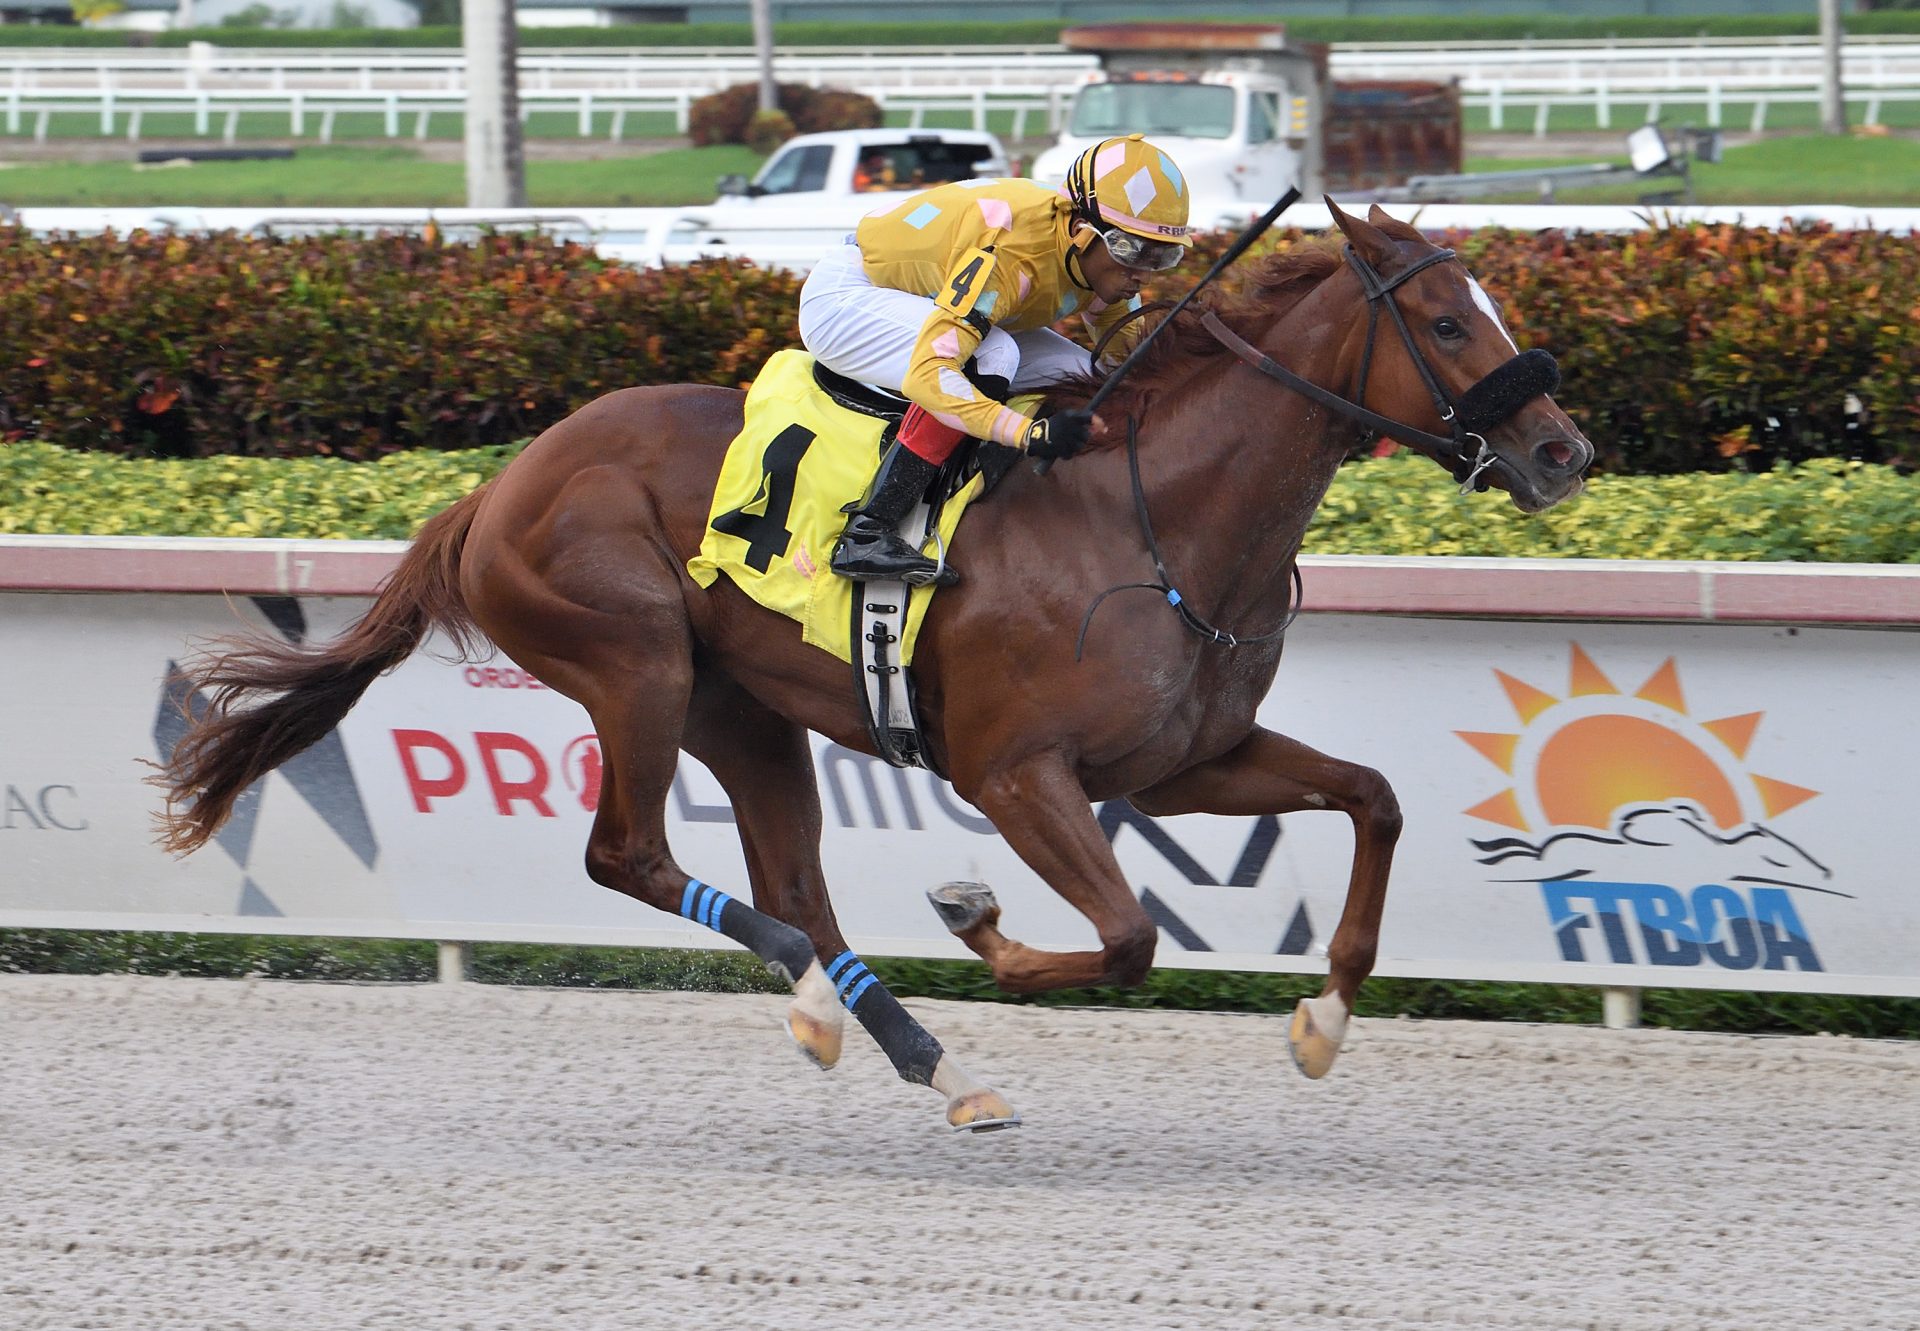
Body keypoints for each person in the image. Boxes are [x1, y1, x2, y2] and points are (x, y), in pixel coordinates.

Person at [797, 133, 1193, 587]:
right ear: (1082, 231)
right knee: (996, 353)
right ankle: (869, 530)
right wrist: (1029, 434)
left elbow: (1129, 371)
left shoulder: (1096, 263)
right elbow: (931, 374)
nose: (1140, 274)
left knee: (1090, 376)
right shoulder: (1010, 256)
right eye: (1129, 251)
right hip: (850, 298)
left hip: (928, 298)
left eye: (1162, 256)